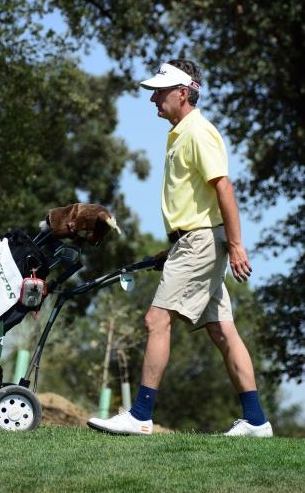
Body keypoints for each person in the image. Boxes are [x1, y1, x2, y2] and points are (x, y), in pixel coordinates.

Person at [87, 59, 273, 437]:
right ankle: (256, 421)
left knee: (156, 320)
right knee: (222, 330)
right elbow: (194, 202)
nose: (154, 97)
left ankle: (140, 415)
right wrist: (171, 248)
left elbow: (223, 187)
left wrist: (236, 245)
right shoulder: (180, 134)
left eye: (161, 90)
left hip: (202, 242)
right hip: (194, 241)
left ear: (183, 93)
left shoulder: (197, 133)